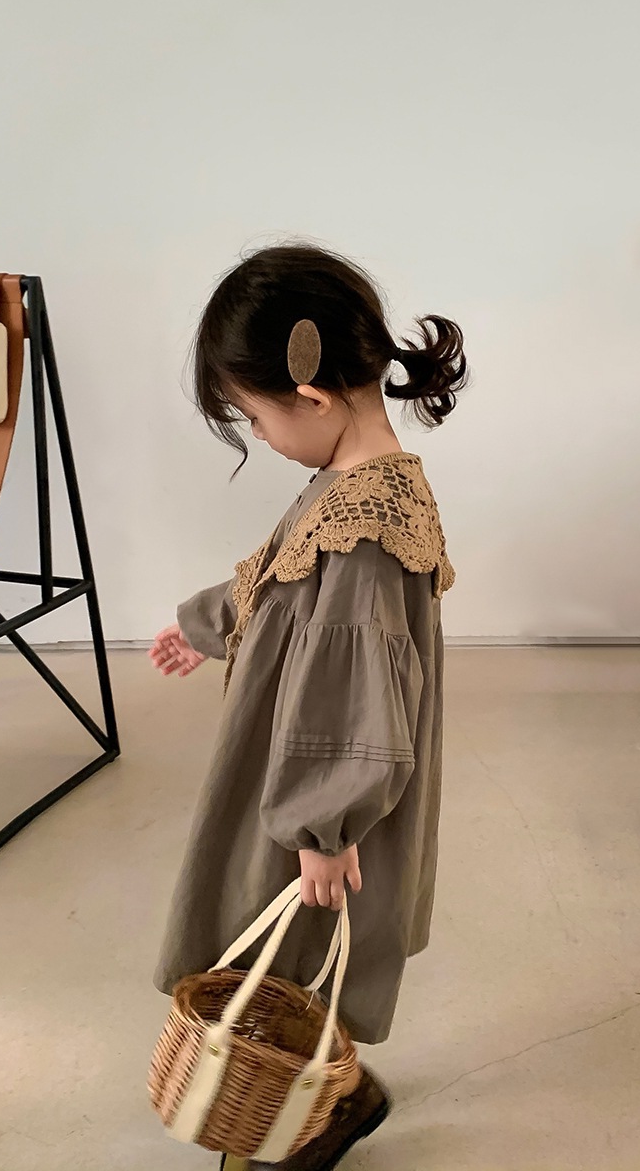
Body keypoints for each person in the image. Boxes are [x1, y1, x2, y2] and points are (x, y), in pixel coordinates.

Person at [150, 242, 467, 1171]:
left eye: (253, 417)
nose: (259, 437)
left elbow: (357, 687)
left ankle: (314, 1111)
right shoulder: (350, 490)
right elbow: (281, 577)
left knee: (292, 935)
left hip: (320, 787)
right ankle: (326, 1091)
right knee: (282, 934)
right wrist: (206, 624)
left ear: (312, 397)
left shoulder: (366, 531)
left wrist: (324, 825)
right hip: (299, 769)